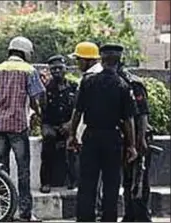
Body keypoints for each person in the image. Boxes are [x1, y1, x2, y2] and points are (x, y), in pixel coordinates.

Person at [67, 41, 138, 222]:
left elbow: (77, 112)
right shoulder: (123, 86)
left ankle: (84, 219)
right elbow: (129, 119)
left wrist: (71, 135)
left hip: (91, 136)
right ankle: (108, 219)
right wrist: (131, 145)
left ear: (102, 59)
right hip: (112, 139)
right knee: (111, 184)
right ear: (118, 60)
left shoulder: (88, 82)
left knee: (87, 183)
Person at [0, 36, 46, 222]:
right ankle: (25, 213)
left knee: (2, 171)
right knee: (23, 171)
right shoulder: (28, 70)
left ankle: (6, 211)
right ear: (25, 51)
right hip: (19, 126)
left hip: (0, 127)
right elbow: (36, 98)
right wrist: (39, 113)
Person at [103, 44, 152, 222]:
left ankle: (141, 216)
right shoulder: (107, 81)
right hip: (119, 138)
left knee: (138, 180)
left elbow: (143, 113)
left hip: (137, 137)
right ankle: (130, 215)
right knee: (125, 180)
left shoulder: (132, 83)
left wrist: (140, 141)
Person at [39, 55, 78, 193]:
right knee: (48, 139)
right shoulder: (45, 87)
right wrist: (42, 89)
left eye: (59, 68)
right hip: (50, 124)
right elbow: (41, 108)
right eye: (53, 69)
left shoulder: (73, 86)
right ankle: (46, 182)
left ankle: (73, 180)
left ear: (65, 69)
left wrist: (69, 124)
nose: (56, 71)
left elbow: (78, 109)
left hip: (68, 124)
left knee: (71, 146)